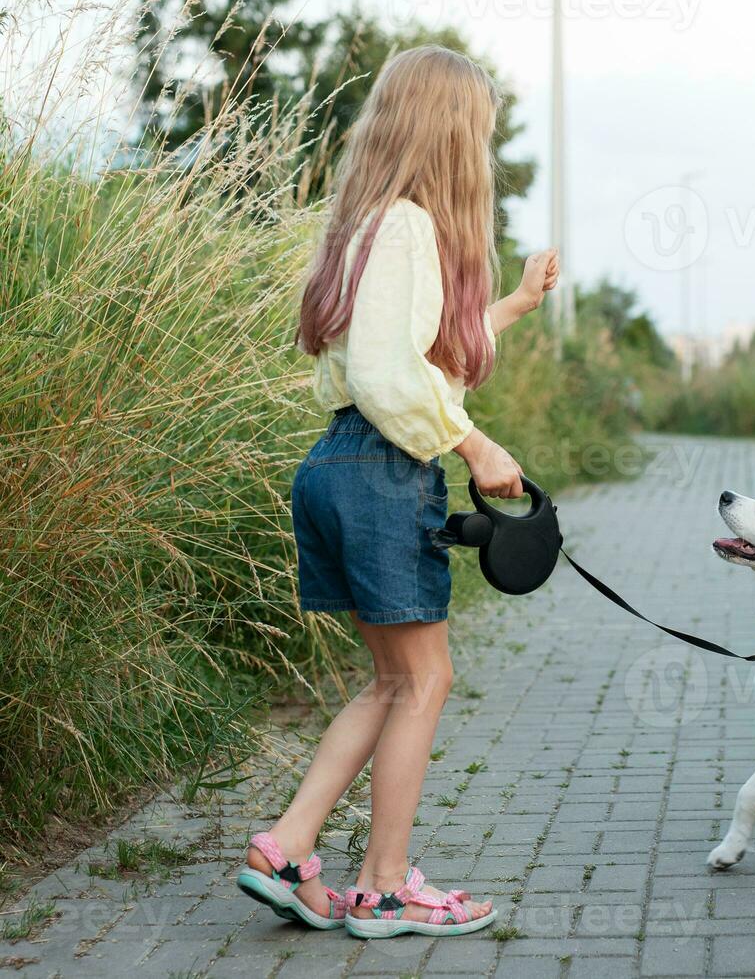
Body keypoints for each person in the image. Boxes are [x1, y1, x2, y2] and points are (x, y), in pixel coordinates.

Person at [235, 45, 559, 940]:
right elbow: (388, 374)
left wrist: (511, 308)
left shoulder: (364, 226)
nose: (483, 146)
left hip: (337, 466)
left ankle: (289, 846)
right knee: (426, 678)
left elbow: (415, 353)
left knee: (390, 680)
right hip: (382, 469)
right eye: (480, 128)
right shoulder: (413, 225)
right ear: (452, 130)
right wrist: (476, 442)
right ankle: (383, 888)